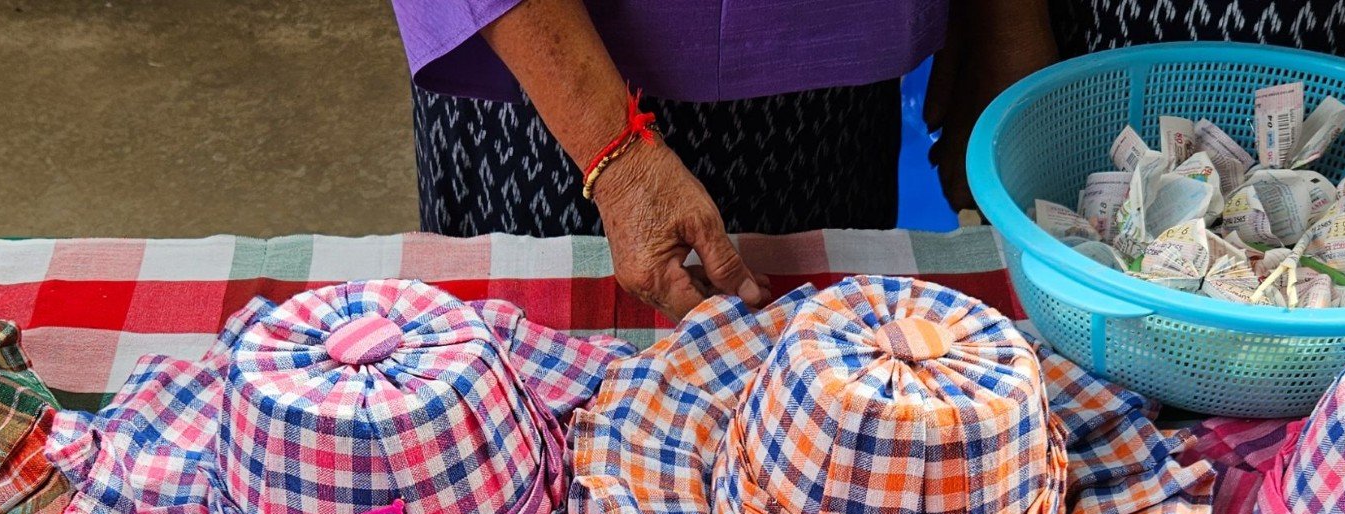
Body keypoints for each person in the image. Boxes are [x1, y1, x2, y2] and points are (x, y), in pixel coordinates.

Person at [390, 0, 1054, 318]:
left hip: (834, 92)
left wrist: (1005, 22)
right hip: (550, 83)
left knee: (829, 411)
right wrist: (613, 154)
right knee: (538, 426)